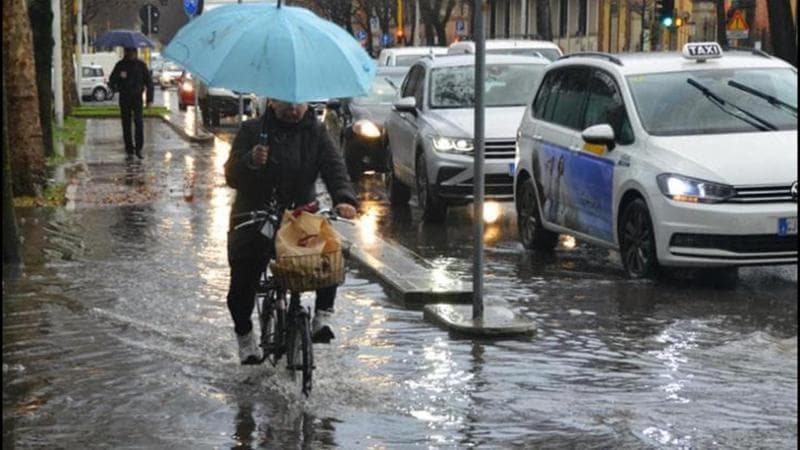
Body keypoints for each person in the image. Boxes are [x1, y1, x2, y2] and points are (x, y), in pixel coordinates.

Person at [224, 99, 358, 365]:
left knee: (329, 252)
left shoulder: (316, 132)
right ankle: (246, 337)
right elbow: (231, 175)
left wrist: (344, 199)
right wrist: (250, 160)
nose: (293, 110)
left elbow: (334, 167)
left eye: (299, 105)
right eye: (287, 105)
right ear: (272, 103)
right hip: (257, 213)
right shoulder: (252, 130)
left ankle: (323, 315)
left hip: (301, 214)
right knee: (244, 273)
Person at [108, 47, 154, 160]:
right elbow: (112, 80)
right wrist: (116, 87)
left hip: (137, 98)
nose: (132, 54)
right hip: (125, 98)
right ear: (126, 52)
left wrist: (149, 100)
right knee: (126, 124)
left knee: (139, 122)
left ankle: (139, 148)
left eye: (133, 52)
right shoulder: (120, 65)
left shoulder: (141, 65)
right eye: (129, 52)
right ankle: (129, 149)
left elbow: (149, 82)